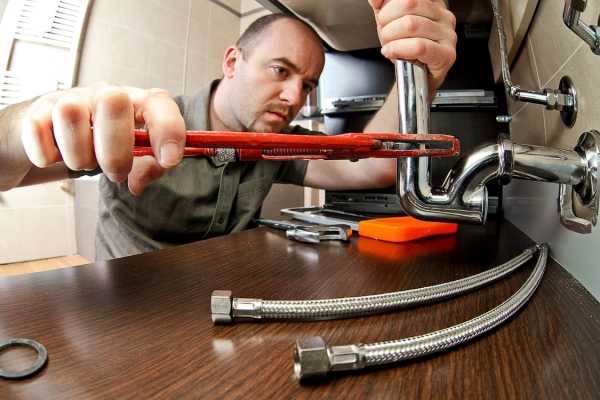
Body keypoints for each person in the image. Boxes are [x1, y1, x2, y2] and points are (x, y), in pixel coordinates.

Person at [0, 0, 457, 260]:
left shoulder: (279, 145)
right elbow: (8, 169)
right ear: (233, 62)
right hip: (127, 314)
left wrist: (420, 74)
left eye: (307, 85)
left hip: (226, 309)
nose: (294, 96)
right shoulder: (142, 128)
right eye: (280, 70)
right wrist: (30, 124)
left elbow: (373, 167)